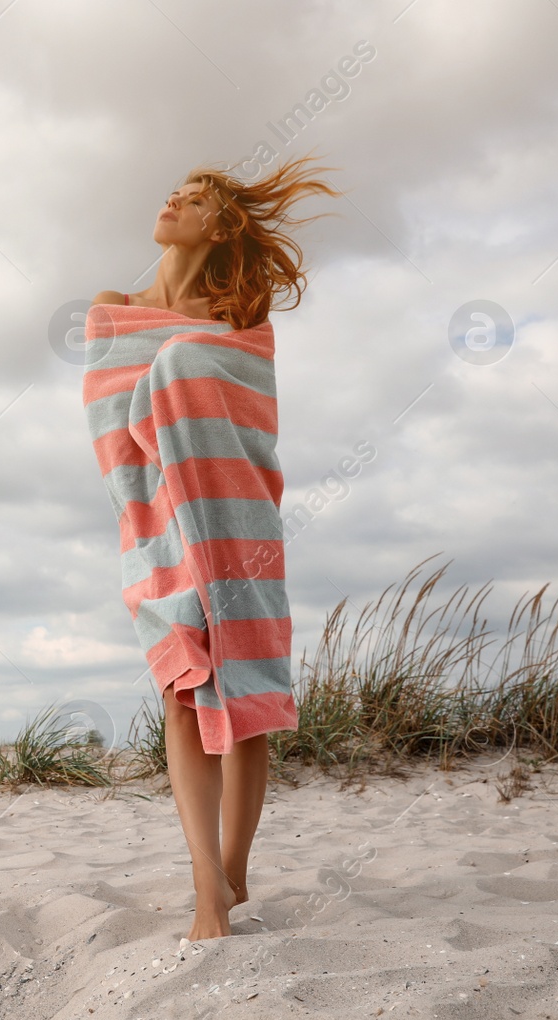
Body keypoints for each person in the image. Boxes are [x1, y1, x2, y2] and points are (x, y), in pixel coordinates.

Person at [88, 156, 340, 941]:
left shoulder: (239, 325)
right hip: (159, 524)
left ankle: (233, 875)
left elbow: (250, 431)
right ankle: (205, 886)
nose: (174, 199)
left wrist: (180, 369)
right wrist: (168, 378)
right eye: (177, 189)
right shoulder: (112, 308)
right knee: (181, 691)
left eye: (194, 199)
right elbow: (111, 438)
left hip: (237, 523)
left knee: (247, 702)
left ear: (220, 226)